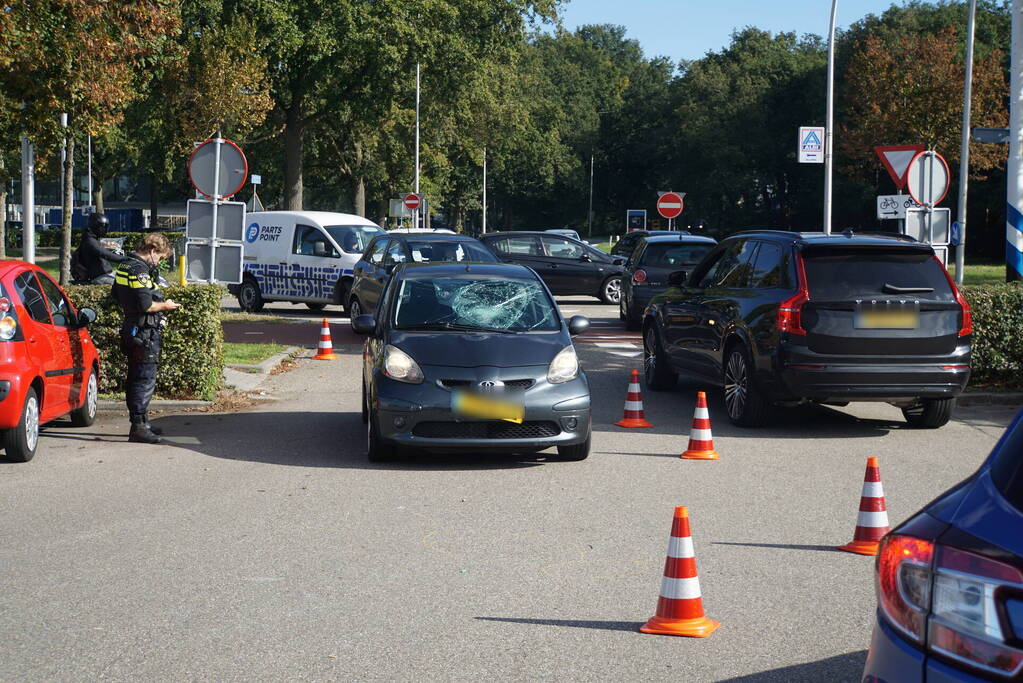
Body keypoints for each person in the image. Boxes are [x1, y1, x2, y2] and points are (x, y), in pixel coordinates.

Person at [111, 233, 180, 444]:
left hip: (132, 328)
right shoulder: (140, 270)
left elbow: (115, 294)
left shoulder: (125, 265)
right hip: (144, 332)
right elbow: (146, 305)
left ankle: (142, 422)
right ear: (152, 250)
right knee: (144, 378)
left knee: (136, 376)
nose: (158, 262)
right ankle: (138, 427)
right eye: (160, 257)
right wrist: (166, 305)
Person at [73, 213, 129, 284]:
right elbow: (106, 254)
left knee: (129, 277)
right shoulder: (90, 242)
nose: (105, 230)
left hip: (106, 274)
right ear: (96, 227)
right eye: (103, 227)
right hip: (99, 277)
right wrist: (128, 259)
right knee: (125, 284)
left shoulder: (91, 239)